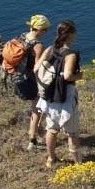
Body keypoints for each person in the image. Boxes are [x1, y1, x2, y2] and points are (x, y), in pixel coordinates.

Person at [34, 20, 83, 168]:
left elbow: (36, 68)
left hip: (49, 95)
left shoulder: (50, 49)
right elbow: (68, 76)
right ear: (72, 34)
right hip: (65, 96)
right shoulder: (70, 54)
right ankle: (78, 164)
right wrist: (80, 76)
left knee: (52, 129)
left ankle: (51, 159)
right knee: (72, 133)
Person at [16, 15, 49, 151]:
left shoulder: (21, 36)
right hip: (30, 80)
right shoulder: (38, 45)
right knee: (37, 108)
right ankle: (32, 140)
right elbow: (37, 68)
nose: (46, 33)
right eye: (46, 30)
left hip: (17, 78)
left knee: (35, 107)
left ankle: (35, 133)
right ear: (41, 30)